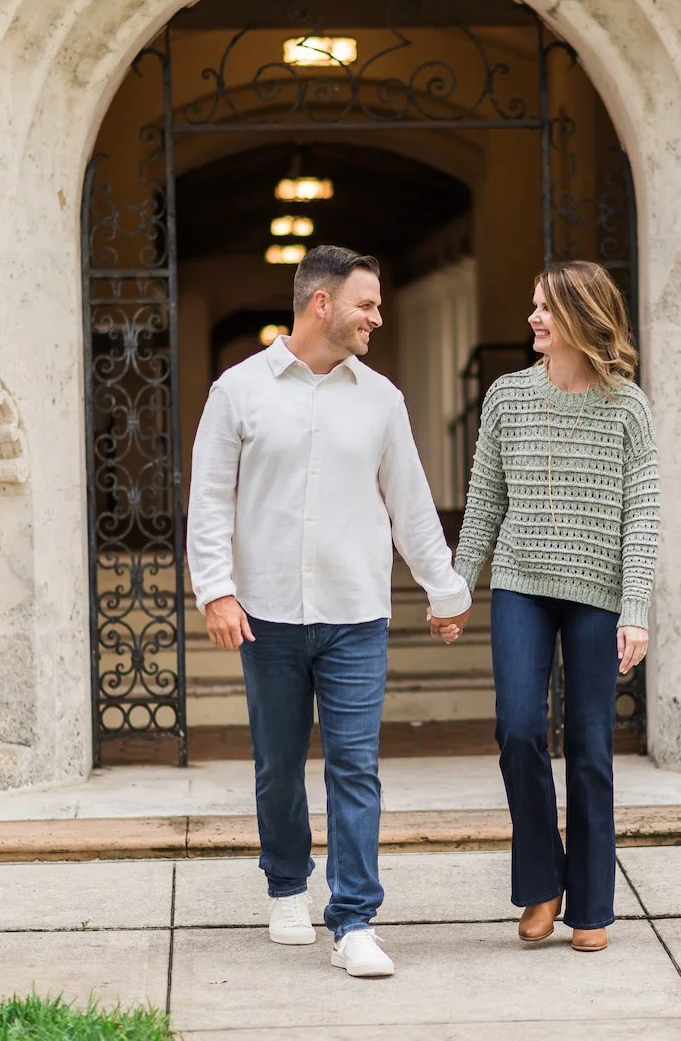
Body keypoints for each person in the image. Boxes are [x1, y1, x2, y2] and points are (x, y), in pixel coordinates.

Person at [186, 244, 473, 978]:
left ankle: (354, 920)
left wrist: (445, 592)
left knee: (354, 767)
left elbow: (411, 505)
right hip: (267, 613)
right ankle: (287, 886)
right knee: (278, 766)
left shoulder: (381, 400)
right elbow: (209, 499)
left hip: (354, 614)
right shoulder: (237, 391)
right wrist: (216, 589)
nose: (377, 317)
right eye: (366, 304)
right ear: (322, 304)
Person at [444, 260, 660, 953]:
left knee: (591, 745)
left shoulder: (627, 406)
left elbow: (643, 513)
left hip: (599, 593)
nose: (534, 317)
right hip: (521, 582)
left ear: (580, 317)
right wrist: (457, 587)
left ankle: (591, 901)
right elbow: (484, 501)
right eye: (534, 304)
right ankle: (541, 880)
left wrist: (635, 608)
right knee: (517, 729)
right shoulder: (507, 397)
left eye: (546, 307)